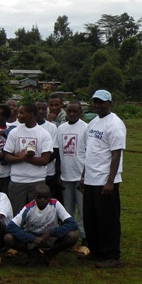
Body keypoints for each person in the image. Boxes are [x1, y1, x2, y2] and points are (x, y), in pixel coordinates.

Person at [82, 90, 126, 269]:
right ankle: (97, 251)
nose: (98, 105)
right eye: (95, 102)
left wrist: (110, 181)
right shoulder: (93, 122)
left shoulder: (115, 124)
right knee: (91, 218)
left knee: (108, 219)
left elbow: (116, 154)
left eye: (101, 102)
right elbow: (89, 151)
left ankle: (112, 255)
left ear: (109, 103)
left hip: (105, 180)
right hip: (90, 179)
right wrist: (83, 176)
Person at [4, 184, 79, 267]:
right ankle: (33, 253)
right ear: (34, 197)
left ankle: (51, 253)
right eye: (39, 197)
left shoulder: (55, 204)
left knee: (73, 236)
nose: (42, 200)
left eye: (45, 197)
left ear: (50, 196)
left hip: (51, 237)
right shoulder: (28, 208)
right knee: (8, 238)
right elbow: (10, 227)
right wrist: (33, 238)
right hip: (32, 237)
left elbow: (72, 224)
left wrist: (51, 232)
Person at [3, 103, 53, 216]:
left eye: (21, 113)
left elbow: (44, 160)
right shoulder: (14, 132)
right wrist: (24, 157)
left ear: (31, 115)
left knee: (37, 214)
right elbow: (7, 157)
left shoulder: (44, 134)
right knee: (16, 214)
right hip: (17, 180)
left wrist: (23, 157)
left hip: (37, 180)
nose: (18, 115)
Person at [56, 101, 89, 255]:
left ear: (80, 112)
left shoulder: (85, 128)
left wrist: (85, 176)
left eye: (75, 111)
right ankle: (70, 239)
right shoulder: (61, 128)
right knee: (67, 211)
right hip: (65, 176)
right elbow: (58, 153)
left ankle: (85, 239)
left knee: (82, 210)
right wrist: (58, 174)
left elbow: (89, 153)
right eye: (69, 111)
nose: (72, 114)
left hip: (80, 176)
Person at [36, 99, 59, 197]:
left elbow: (55, 150)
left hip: (48, 172)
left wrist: (40, 161)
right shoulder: (25, 126)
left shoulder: (52, 127)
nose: (41, 111)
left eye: (44, 109)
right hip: (32, 174)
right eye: (38, 109)